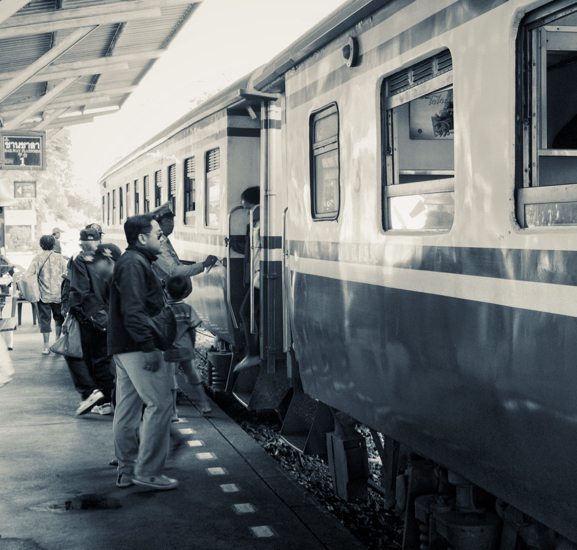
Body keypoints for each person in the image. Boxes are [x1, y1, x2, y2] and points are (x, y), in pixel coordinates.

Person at [109, 214, 177, 491]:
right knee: (160, 405)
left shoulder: (131, 262)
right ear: (142, 238)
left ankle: (127, 470)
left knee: (127, 409)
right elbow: (133, 310)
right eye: (159, 234)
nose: (162, 239)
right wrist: (148, 347)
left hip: (124, 347)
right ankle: (148, 471)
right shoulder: (135, 264)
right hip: (137, 348)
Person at [68, 237, 120, 416]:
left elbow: (79, 292)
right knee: (102, 359)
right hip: (109, 317)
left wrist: (74, 310)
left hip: (90, 317)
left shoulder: (81, 261)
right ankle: (105, 403)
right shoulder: (117, 259)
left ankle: (90, 392)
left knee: (74, 354)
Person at [164, 274, 212, 416]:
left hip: (169, 349)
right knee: (193, 375)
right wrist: (191, 345)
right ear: (185, 292)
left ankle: (173, 412)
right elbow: (193, 330)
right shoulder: (187, 309)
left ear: (166, 291)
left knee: (170, 379)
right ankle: (205, 404)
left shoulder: (165, 309)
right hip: (185, 348)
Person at [151, 202, 217, 287]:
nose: (172, 224)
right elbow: (174, 271)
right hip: (165, 291)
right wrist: (203, 265)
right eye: (168, 221)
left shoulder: (165, 240)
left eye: (172, 220)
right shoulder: (160, 244)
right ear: (158, 224)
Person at [233, 186, 261, 372]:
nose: (248, 212)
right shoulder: (256, 224)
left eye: (250, 208)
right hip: (257, 277)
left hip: (263, 277)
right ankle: (254, 352)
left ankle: (255, 353)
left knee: (246, 312)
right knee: (248, 312)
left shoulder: (265, 224)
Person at [25, 235, 67, 354]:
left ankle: (45, 347)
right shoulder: (60, 258)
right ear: (54, 245)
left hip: (43, 295)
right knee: (59, 318)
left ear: (41, 245)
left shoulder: (37, 258)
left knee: (45, 320)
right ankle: (57, 343)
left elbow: (29, 274)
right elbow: (66, 274)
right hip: (59, 295)